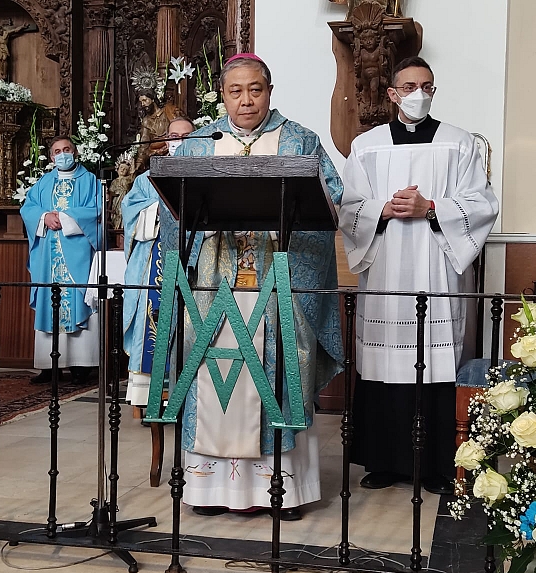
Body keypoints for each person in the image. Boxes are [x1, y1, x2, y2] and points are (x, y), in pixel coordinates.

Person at [161, 54, 344, 520]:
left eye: (255, 89)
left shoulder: (300, 141)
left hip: (279, 286)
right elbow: (172, 212)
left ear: (269, 90)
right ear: (222, 95)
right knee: (210, 375)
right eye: (235, 91)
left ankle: (281, 489)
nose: (246, 100)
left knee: (280, 373)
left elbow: (331, 202)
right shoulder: (199, 145)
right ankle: (207, 488)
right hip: (212, 289)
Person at [339, 56, 499, 495]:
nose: (418, 94)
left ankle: (438, 466)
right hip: (386, 268)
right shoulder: (367, 146)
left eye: (426, 86)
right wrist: (383, 209)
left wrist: (430, 208)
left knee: (434, 362)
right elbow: (349, 207)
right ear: (392, 94)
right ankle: (385, 462)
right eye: (408, 86)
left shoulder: (459, 143)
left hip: (436, 270)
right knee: (384, 362)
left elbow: (482, 204)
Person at [122, 116, 195, 407]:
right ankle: (149, 397)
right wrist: (161, 211)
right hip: (154, 260)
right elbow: (131, 213)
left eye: (187, 136)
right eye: (174, 135)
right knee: (151, 325)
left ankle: (187, 398)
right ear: (165, 140)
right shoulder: (147, 177)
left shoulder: (204, 173)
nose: (179, 141)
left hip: (190, 263)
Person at [20, 136, 102, 385]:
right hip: (48, 255)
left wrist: (65, 218)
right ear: (52, 157)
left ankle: (81, 365)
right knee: (49, 303)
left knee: (79, 301)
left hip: (77, 252)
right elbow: (28, 207)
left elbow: (98, 209)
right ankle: (49, 366)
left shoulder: (90, 181)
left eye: (67, 149)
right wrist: (44, 217)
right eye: (57, 151)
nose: (62, 154)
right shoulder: (44, 182)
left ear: (75, 152)